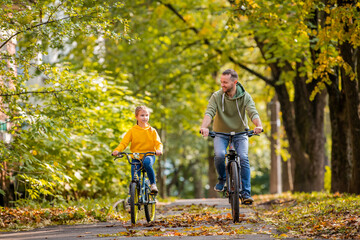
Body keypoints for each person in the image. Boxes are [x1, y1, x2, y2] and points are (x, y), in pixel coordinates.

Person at [200, 69, 263, 204]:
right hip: (220, 133)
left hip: (240, 133)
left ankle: (246, 193)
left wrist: (258, 125)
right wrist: (204, 127)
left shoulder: (245, 96)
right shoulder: (216, 96)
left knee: (244, 157)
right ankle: (222, 179)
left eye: (225, 82)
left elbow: (252, 112)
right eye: (221, 82)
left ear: (234, 82)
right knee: (219, 154)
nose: (222, 85)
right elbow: (209, 112)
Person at [112, 105, 163, 193]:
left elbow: (158, 143)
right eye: (142, 115)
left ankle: (153, 184)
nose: (145, 117)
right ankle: (133, 195)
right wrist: (117, 150)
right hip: (136, 157)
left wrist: (159, 150)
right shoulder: (132, 130)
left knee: (147, 163)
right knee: (135, 177)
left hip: (149, 155)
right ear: (136, 117)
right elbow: (124, 143)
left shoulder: (152, 131)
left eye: (146, 115)